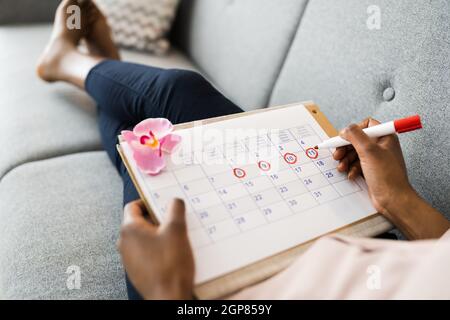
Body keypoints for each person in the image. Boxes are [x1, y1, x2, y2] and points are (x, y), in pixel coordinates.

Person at [38, 1, 450, 299]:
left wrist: (169, 292)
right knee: (180, 94)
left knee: (150, 147)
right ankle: (91, 66)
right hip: (357, 241)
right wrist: (398, 197)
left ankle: (80, 65)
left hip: (230, 290)